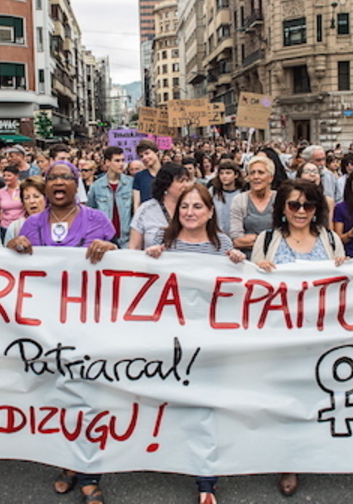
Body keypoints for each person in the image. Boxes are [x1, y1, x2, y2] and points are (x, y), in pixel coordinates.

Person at [6, 161, 116, 504]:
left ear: (76, 184)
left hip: (86, 323)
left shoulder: (97, 219)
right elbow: (19, 268)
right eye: (52, 177)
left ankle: (89, 472)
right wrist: (14, 252)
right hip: (46, 326)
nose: (58, 183)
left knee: (87, 396)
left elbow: (120, 264)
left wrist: (111, 251)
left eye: (65, 177)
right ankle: (68, 464)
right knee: (58, 396)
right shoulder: (31, 223)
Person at [144, 183, 244, 504]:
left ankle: (206, 479)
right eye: (185, 206)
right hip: (170, 335)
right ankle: (168, 457)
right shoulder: (163, 240)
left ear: (210, 212)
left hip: (208, 337)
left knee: (204, 405)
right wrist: (150, 260)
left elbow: (236, 289)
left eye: (197, 207)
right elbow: (145, 282)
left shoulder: (222, 243)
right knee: (171, 401)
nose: (190, 212)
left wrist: (239, 262)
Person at [250, 180, 345, 497]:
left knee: (319, 393)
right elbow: (251, 290)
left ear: (317, 209)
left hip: (324, 332)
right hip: (282, 335)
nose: (301, 211)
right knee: (287, 397)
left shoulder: (331, 240)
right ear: (283, 208)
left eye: (308, 205)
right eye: (294, 205)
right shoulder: (267, 240)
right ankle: (289, 460)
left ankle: (319, 450)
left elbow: (348, 284)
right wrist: (256, 269)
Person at [128, 162, 190, 250]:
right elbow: (134, 246)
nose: (186, 185)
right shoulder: (146, 210)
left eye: (187, 180)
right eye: (181, 181)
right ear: (166, 184)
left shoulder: (193, 208)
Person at [229, 155, 277, 255]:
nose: (256, 177)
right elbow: (236, 239)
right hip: (247, 258)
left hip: (275, 256)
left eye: (261, 172)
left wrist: (253, 238)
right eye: (252, 173)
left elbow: (286, 237)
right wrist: (269, 239)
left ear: (270, 177)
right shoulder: (239, 200)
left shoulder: (279, 199)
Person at [87, 146, 134, 247]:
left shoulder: (131, 183)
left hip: (127, 240)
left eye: (122, 160)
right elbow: (91, 214)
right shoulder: (96, 186)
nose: (121, 164)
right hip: (104, 240)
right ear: (107, 162)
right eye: (117, 161)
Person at [3, 176, 47, 246]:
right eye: (27, 198)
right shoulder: (15, 227)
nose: (32, 201)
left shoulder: (55, 224)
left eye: (36, 196)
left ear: (46, 199)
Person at [208, 159, 243, 234]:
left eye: (228, 173)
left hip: (237, 236)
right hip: (216, 234)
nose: (224, 176)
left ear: (236, 175)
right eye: (221, 173)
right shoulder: (213, 191)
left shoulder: (242, 193)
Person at [0, 165, 22, 239]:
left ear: (17, 176)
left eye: (9, 175)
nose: (6, 178)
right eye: (4, 175)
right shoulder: (0, 191)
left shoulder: (23, 189)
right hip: (5, 227)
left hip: (21, 226)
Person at [132, 139, 162, 212]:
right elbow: (137, 204)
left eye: (147, 153)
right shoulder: (139, 176)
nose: (145, 158)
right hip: (146, 218)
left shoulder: (169, 172)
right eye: (141, 156)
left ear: (156, 153)